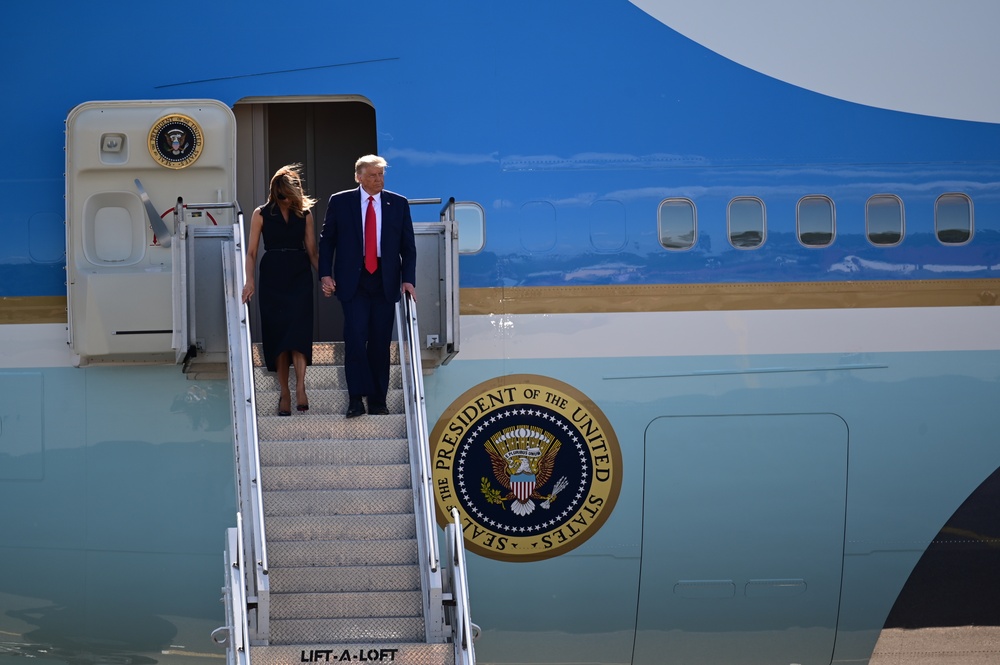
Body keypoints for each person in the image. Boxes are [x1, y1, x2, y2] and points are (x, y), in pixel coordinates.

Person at [318, 155, 416, 418]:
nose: (379, 180)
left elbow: (408, 247)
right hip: (354, 281)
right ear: (358, 176)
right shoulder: (340, 201)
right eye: (373, 175)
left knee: (380, 344)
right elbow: (327, 241)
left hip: (385, 280)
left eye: (381, 175)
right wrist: (325, 275)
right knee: (355, 340)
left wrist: (408, 279)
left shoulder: (398, 203)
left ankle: (377, 400)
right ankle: (355, 399)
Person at [242, 164, 319, 416]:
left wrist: (327, 278)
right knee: (279, 337)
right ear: (276, 191)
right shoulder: (261, 213)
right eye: (283, 193)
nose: (287, 198)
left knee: (298, 332)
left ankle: (300, 387)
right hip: (273, 274)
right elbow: (251, 252)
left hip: (299, 273)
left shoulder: (304, 214)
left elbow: (312, 251)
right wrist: (249, 281)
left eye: (290, 193)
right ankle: (284, 392)